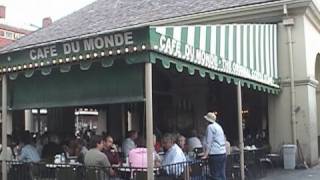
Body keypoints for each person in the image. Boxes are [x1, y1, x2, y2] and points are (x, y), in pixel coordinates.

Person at [202, 112, 227, 180]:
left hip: (215, 154)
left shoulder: (210, 127)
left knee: (215, 176)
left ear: (208, 120)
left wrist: (205, 155)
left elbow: (209, 142)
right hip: (222, 153)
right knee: (222, 174)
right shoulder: (218, 126)